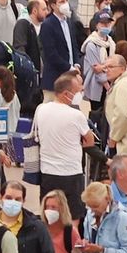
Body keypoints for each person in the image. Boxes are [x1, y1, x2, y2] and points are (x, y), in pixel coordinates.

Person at [32, 71, 94, 218]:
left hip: (47, 171)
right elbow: (90, 140)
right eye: (78, 91)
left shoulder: (41, 109)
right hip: (71, 172)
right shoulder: (76, 115)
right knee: (73, 216)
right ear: (67, 93)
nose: (80, 93)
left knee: (49, 214)